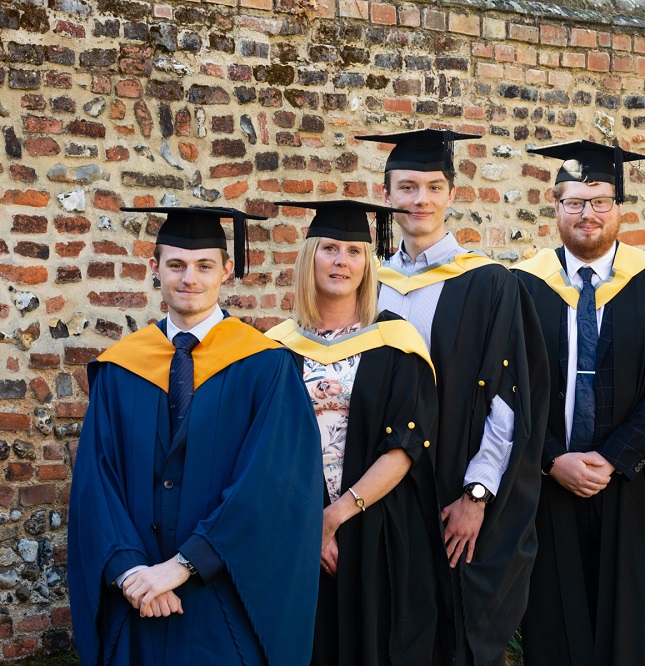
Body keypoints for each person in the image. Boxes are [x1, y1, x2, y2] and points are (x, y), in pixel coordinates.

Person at [67, 206, 323, 665]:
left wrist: (182, 567)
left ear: (227, 270)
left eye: (205, 265)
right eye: (177, 265)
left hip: (221, 599)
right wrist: (130, 572)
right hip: (138, 599)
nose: (190, 278)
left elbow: (270, 486)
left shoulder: (265, 367)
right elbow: (95, 481)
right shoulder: (120, 368)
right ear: (155, 269)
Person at [512, 141, 645, 666]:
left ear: (619, 208)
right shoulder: (521, 283)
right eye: (575, 202)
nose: (588, 214)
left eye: (600, 201)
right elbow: (507, 385)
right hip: (551, 482)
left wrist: (615, 456)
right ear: (555, 207)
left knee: (636, 633)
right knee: (556, 628)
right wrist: (553, 459)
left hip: (633, 480)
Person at [355, 128, 549, 666]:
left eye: (433, 187)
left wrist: (477, 493)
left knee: (449, 628)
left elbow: (508, 400)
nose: (421, 200)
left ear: (451, 194)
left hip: (450, 486)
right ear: (387, 193)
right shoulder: (365, 281)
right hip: (379, 482)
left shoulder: (488, 283)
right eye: (408, 187)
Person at [265, 200, 447, 666]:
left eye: (353, 251)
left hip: (377, 528)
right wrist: (309, 524)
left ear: (369, 264)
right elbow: (265, 453)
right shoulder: (274, 348)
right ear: (310, 257)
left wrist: (334, 518)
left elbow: (405, 447)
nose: (341, 261)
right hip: (293, 533)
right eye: (329, 249)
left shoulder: (396, 342)